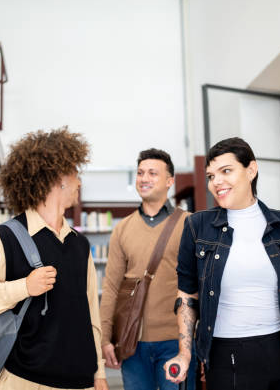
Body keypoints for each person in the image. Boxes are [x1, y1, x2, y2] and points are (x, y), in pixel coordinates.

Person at [164, 137, 280, 390]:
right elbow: (187, 295)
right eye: (211, 175)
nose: (216, 182)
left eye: (226, 171)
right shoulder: (197, 227)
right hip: (229, 358)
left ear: (251, 170)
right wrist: (185, 353)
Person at [0, 128, 108, 390]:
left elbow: (91, 315)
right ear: (56, 178)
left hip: (82, 382)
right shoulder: (6, 238)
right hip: (25, 381)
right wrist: (23, 287)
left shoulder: (80, 245)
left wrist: (100, 372)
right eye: (74, 173)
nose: (79, 182)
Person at [99, 148, 196, 390]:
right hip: (133, 344)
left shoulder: (191, 224)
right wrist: (104, 338)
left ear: (169, 181)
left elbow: (201, 285)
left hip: (178, 342)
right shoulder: (123, 229)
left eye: (153, 173)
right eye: (141, 173)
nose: (144, 178)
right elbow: (111, 287)